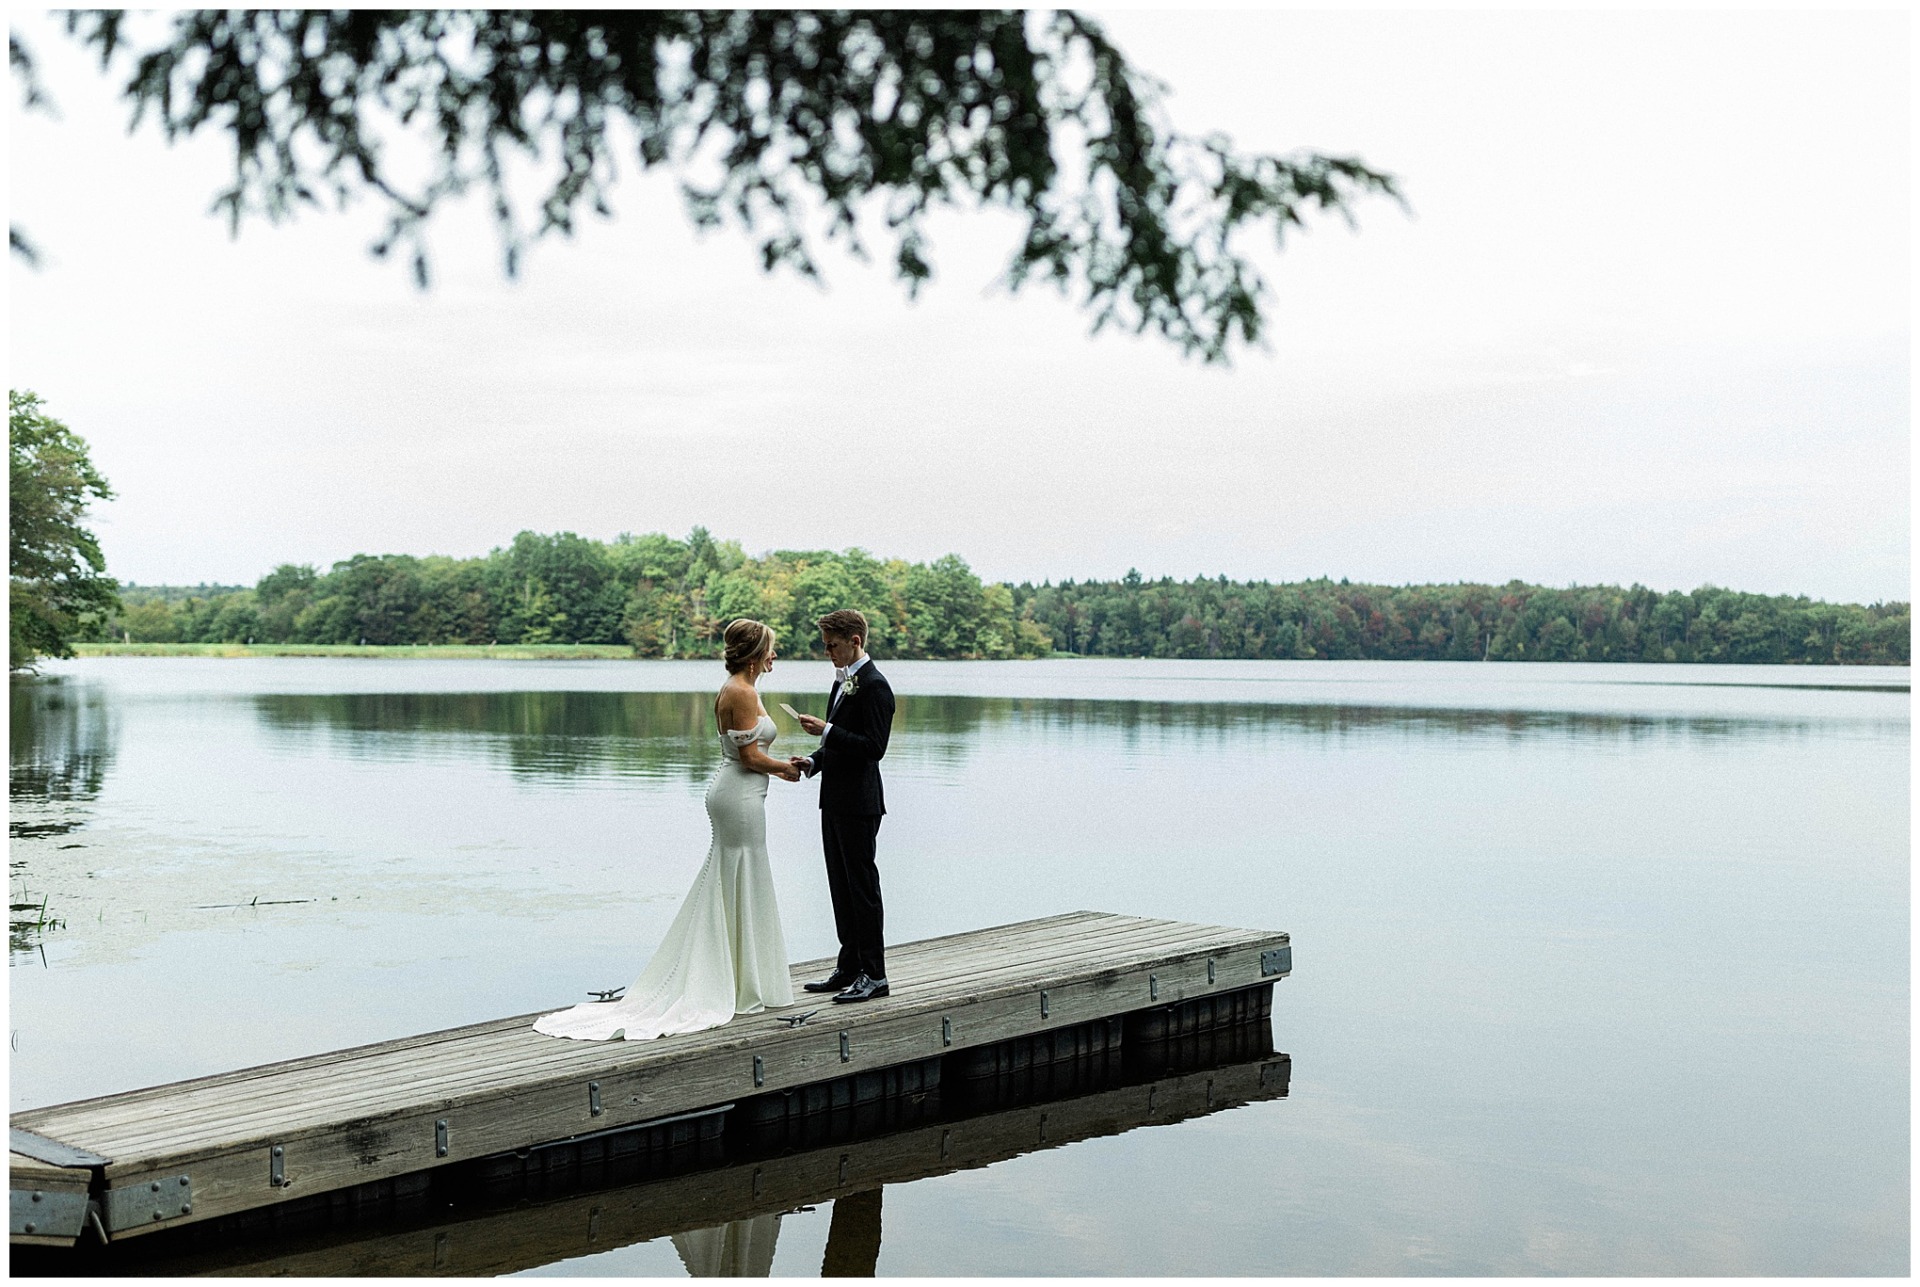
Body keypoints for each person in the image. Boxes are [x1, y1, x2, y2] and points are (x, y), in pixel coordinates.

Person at [534, 619, 801, 1041]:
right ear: (754, 654)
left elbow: (748, 751)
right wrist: (785, 768)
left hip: (742, 794)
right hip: (739, 795)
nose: (775, 656)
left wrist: (777, 765)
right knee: (738, 874)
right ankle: (733, 981)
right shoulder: (741, 691)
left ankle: (743, 976)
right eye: (771, 648)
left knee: (738, 875)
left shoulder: (742, 688)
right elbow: (749, 756)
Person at [790, 608, 896, 1003]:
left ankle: (875, 975)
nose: (827, 652)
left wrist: (828, 729)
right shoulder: (843, 682)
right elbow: (838, 744)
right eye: (824, 646)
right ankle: (849, 966)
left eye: (832, 645)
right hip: (833, 799)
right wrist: (814, 761)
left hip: (860, 804)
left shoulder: (875, 686)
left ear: (855, 641)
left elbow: (874, 749)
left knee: (862, 889)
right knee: (840, 887)